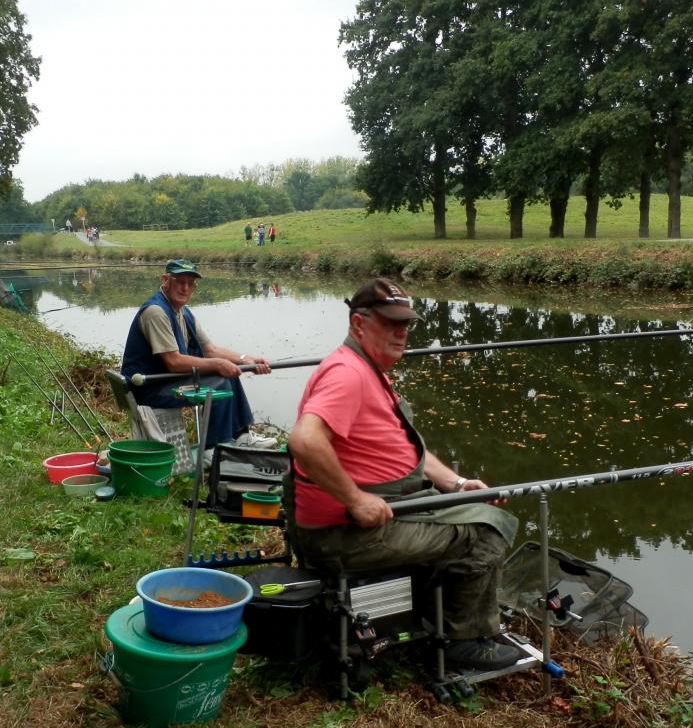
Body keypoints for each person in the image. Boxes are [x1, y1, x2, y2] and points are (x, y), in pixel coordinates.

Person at [286, 278, 522, 671]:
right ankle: (462, 640)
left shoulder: (367, 368)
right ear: (359, 325)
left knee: (471, 507)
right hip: (342, 533)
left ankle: (433, 610)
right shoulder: (349, 374)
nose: (402, 333)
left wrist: (457, 485)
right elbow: (305, 441)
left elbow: (405, 446)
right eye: (391, 323)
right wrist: (356, 500)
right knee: (486, 532)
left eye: (407, 324)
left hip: (384, 507)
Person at [121, 259, 275, 452]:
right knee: (219, 384)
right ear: (165, 280)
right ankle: (213, 450)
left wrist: (245, 360)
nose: (185, 288)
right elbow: (174, 362)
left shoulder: (184, 313)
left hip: (168, 381)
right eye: (180, 281)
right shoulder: (155, 312)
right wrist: (217, 365)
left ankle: (241, 436)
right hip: (149, 388)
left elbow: (210, 349)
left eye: (190, 283)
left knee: (229, 377)